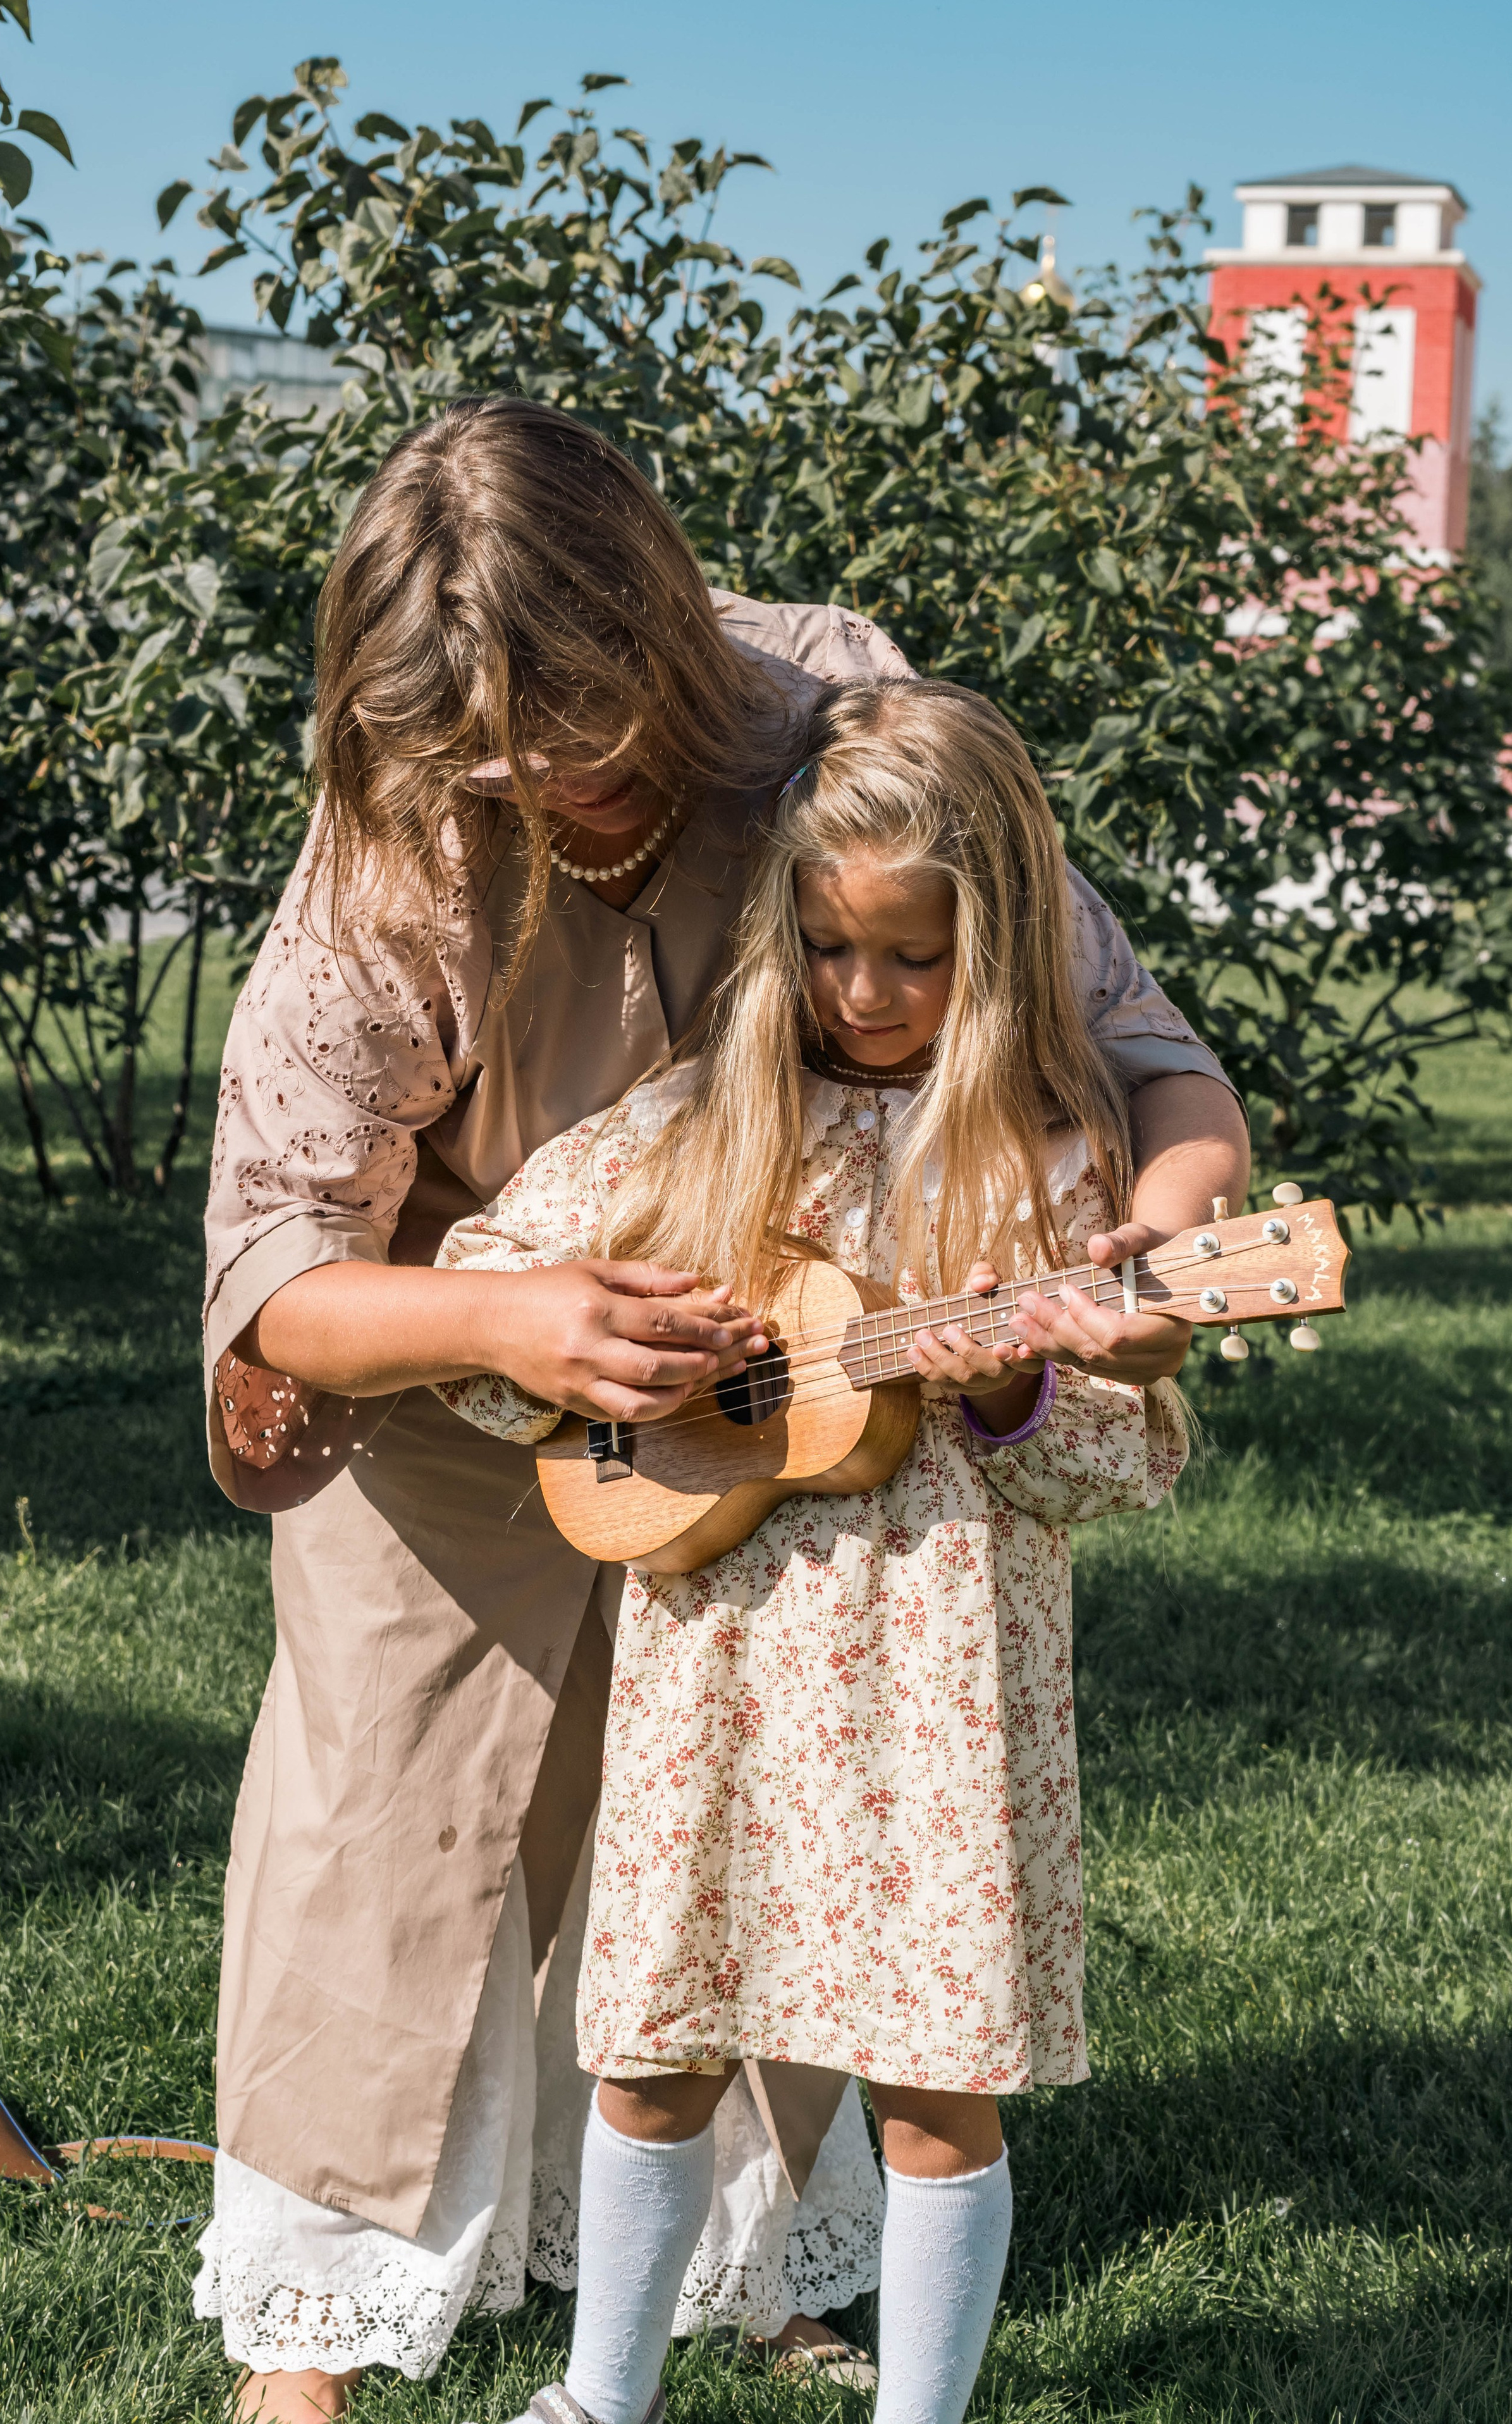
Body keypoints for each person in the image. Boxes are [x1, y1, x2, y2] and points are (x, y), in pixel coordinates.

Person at [195, 397, 1248, 2421]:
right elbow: (283, 1256)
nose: (520, 783)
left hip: (833, 1376)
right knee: (392, 1797)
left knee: (768, 1822)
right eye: (471, 753)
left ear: (660, 635)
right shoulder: (400, 814)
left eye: (563, 733)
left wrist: (1148, 1243)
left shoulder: (838, 721)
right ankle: (310, 2326)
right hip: (462, 1317)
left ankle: (752, 2272)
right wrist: (507, 1327)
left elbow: (1125, 1042)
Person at [431, 678, 1192, 2424]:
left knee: (935, 2089)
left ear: (995, 952)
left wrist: (1011, 1395)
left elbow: (1115, 1469)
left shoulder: (1045, 1172)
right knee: (652, 2055)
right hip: (722, 1678)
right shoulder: (694, 1129)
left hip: (937, 1700)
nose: (866, 996)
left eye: (914, 960)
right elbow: (495, 1291)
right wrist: (594, 1351)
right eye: (834, 950)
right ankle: (596, 2400)